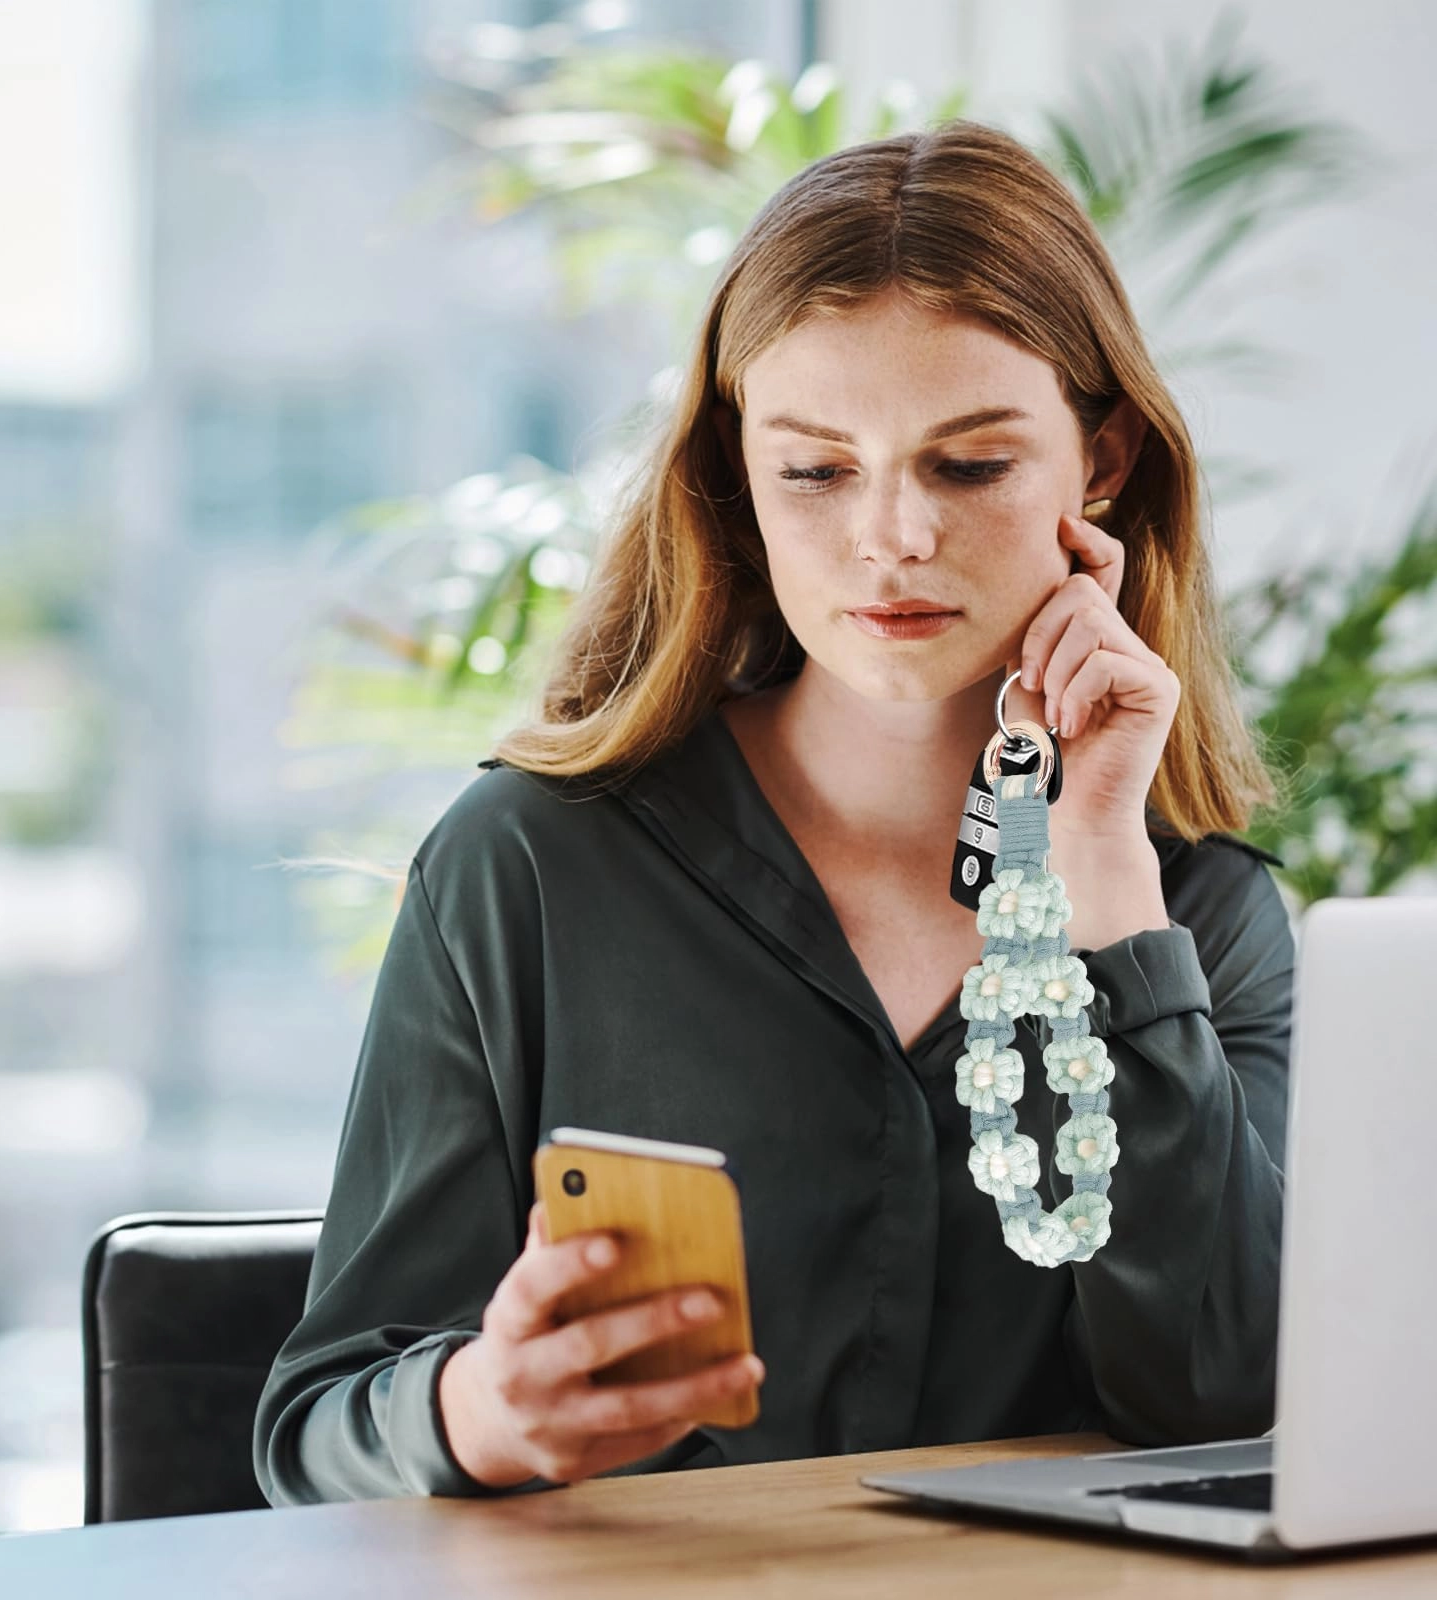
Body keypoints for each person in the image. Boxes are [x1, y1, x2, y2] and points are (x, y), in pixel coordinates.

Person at [253, 119, 1295, 1504]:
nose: (894, 537)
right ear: (738, 481)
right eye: (816, 470)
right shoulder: (535, 870)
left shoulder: (1201, 916)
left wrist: (1101, 870)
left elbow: (1234, 1405)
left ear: (1099, 463)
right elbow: (314, 1430)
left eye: (971, 465)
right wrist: (478, 1413)